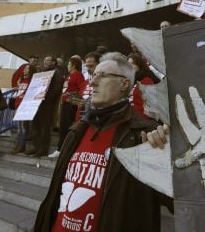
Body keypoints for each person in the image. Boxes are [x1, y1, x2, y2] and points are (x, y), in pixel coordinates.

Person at [34, 52, 172, 231]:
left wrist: (171, 160)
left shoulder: (144, 137)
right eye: (94, 75)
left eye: (103, 75)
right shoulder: (76, 131)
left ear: (124, 83)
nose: (92, 82)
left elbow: (183, 204)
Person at [47, 56, 85, 159]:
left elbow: (82, 89)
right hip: (64, 104)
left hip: (70, 106)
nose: (68, 66)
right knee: (62, 127)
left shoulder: (78, 75)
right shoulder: (69, 76)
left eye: (69, 64)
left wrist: (73, 98)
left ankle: (61, 150)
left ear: (74, 65)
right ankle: (62, 149)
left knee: (66, 127)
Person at [25, 56, 62, 157]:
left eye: (48, 60)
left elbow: (57, 88)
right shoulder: (41, 72)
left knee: (44, 127)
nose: (45, 62)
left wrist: (47, 99)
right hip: (36, 103)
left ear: (54, 62)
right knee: (34, 125)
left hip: (46, 104)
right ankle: (36, 147)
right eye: (44, 60)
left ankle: (43, 149)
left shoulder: (56, 72)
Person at [128, 53, 160, 120]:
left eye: (132, 63)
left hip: (145, 122)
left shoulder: (146, 80)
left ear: (139, 65)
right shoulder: (132, 82)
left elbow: (152, 107)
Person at [12, 65, 36, 154]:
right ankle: (18, 144)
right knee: (19, 128)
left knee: (23, 127)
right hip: (18, 105)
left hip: (25, 106)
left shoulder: (32, 81)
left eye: (27, 69)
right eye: (24, 68)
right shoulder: (22, 80)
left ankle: (21, 146)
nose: (24, 70)